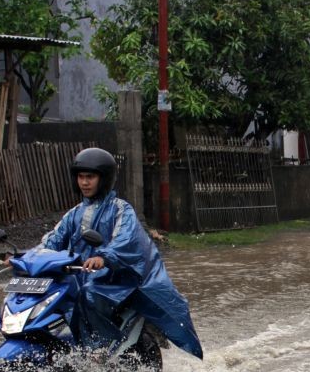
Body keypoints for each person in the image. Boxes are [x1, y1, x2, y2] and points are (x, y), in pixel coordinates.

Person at [35, 148, 203, 359]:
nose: (84, 182)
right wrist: (25, 258)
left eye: (90, 177)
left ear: (103, 179)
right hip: (81, 273)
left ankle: (99, 348)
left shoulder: (120, 209)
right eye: (81, 177)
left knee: (89, 293)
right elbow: (52, 240)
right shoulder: (74, 213)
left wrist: (103, 257)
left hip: (114, 278)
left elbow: (125, 239)